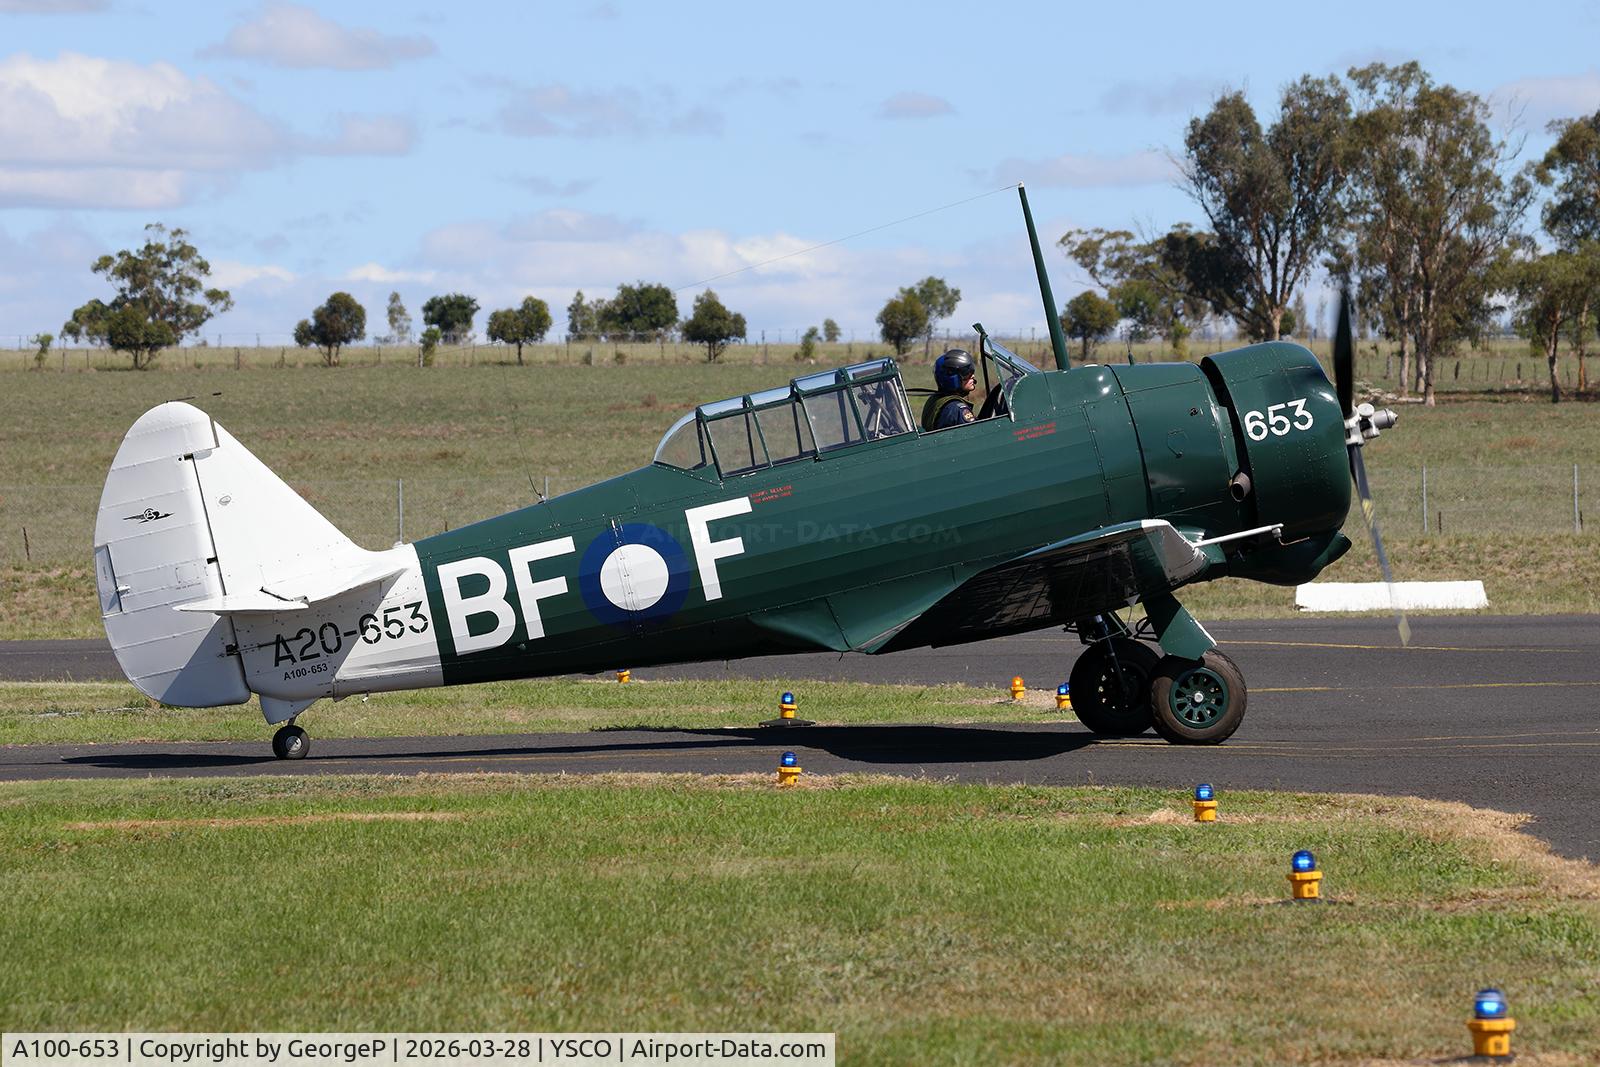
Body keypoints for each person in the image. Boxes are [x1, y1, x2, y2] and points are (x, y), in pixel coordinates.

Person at [921, 349, 978, 430]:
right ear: (952, 379)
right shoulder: (957, 409)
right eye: (966, 373)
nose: (972, 376)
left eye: (972, 371)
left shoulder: (934, 400)